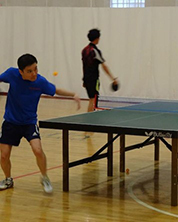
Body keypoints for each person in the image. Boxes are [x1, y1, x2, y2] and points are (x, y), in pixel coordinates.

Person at [0, 54, 81, 193]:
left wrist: (73, 95)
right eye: (30, 71)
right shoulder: (11, 74)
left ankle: (44, 177)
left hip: (29, 123)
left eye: (36, 69)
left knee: (38, 150)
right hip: (10, 122)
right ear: (21, 72)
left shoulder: (40, 82)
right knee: (4, 155)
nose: (34, 73)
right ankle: (8, 179)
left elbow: (55, 90)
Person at [82, 28, 118, 112]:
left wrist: (84, 80)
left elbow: (84, 66)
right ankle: (90, 119)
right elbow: (104, 66)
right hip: (94, 79)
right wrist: (113, 78)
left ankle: (89, 117)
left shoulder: (84, 50)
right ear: (97, 38)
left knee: (91, 99)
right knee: (93, 100)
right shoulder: (95, 51)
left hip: (86, 79)